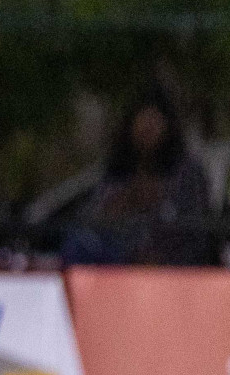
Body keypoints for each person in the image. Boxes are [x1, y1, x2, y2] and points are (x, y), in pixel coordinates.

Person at [63, 96, 213, 266]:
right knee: (79, 242)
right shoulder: (120, 167)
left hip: (170, 260)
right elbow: (93, 214)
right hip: (120, 255)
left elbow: (196, 227)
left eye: (154, 121)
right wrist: (124, 201)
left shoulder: (186, 171)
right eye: (142, 121)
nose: (147, 129)